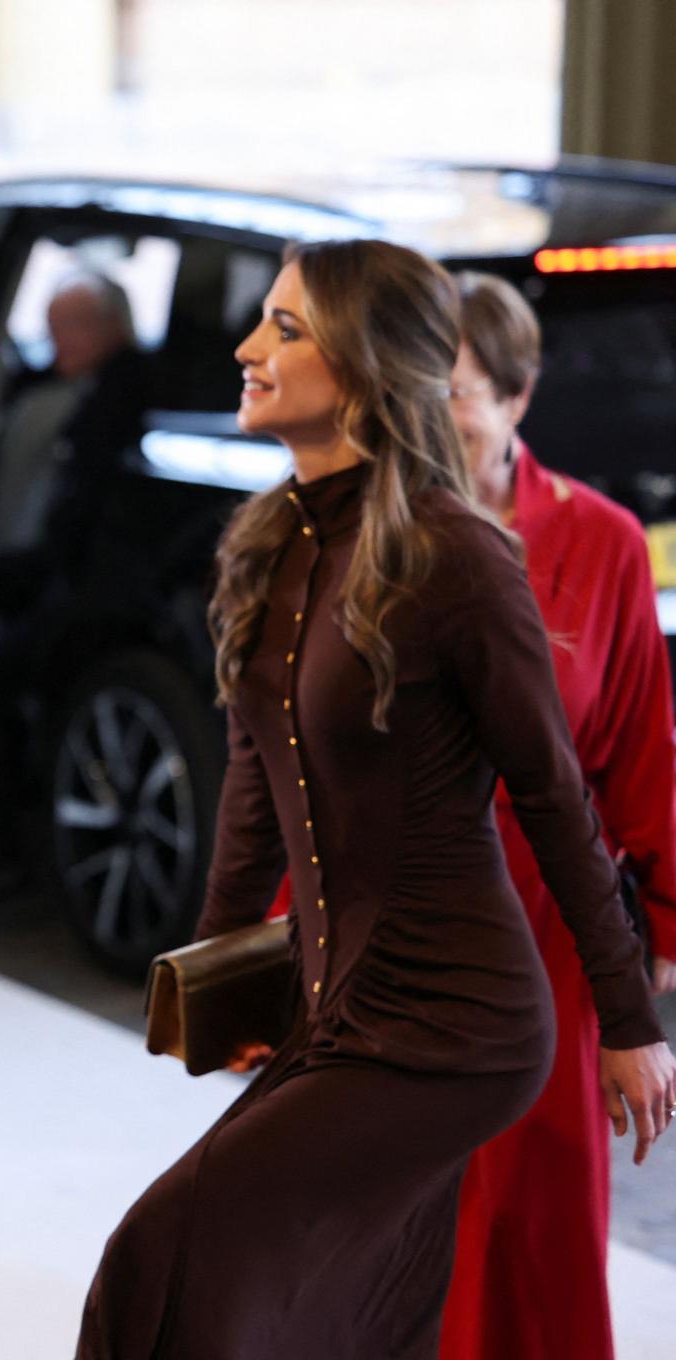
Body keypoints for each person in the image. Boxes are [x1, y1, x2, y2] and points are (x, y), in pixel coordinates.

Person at [75, 240, 676, 1358]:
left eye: (286, 329)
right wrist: (216, 980)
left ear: (363, 365)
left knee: (162, 1254)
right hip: (333, 999)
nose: (248, 349)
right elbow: (256, 785)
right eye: (262, 321)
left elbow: (553, 795)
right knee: (361, 1316)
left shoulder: (460, 557)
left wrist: (631, 1020)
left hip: (459, 1020)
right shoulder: (266, 544)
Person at [429, 273, 676, 1360]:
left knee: (535, 1216)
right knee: (398, 1212)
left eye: (458, 391)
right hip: (402, 922)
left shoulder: (604, 541)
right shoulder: (369, 530)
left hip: (546, 927)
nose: (434, 414)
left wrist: (652, 948)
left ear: (516, 398)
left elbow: (639, 752)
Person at [0, 272, 151, 921]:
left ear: (112, 329)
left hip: (109, 591)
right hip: (79, 581)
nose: (58, 341)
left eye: (73, 327)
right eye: (53, 327)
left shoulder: (125, 396)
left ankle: (1, 857)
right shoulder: (56, 387)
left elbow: (88, 519)